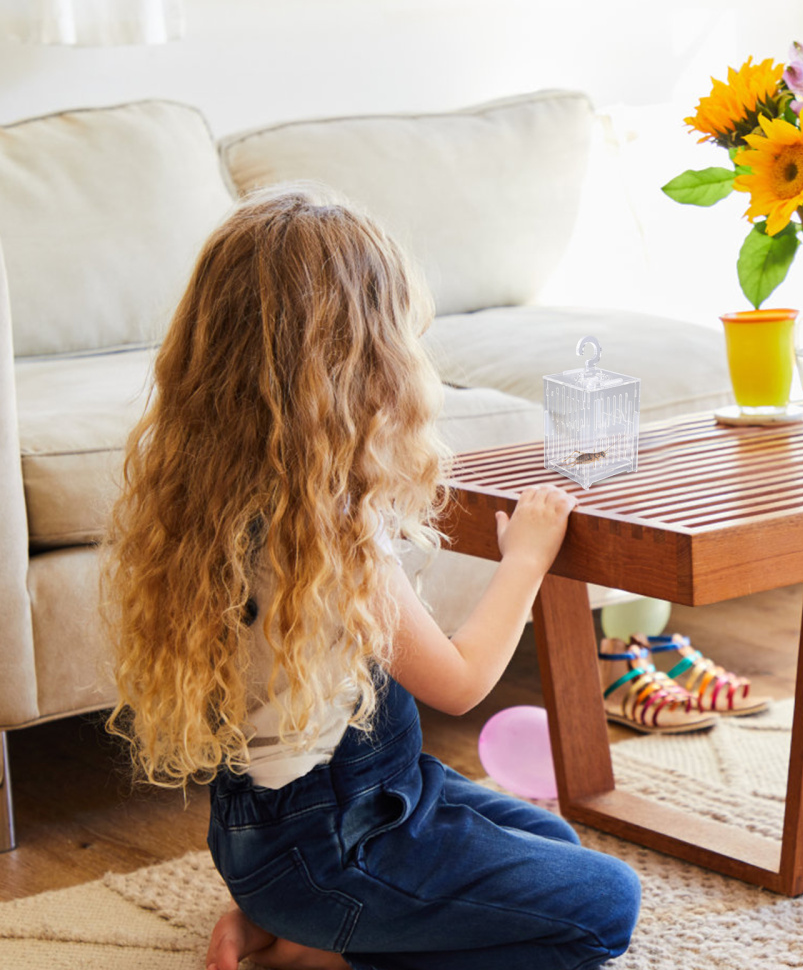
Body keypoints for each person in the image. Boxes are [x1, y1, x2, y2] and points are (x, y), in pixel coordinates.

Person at [103, 186, 641, 970]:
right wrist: (527, 558)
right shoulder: (329, 533)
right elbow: (459, 684)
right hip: (335, 842)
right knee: (602, 907)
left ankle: (279, 918)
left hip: (291, 825)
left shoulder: (223, 498)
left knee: (550, 839)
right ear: (362, 360)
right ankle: (316, 950)